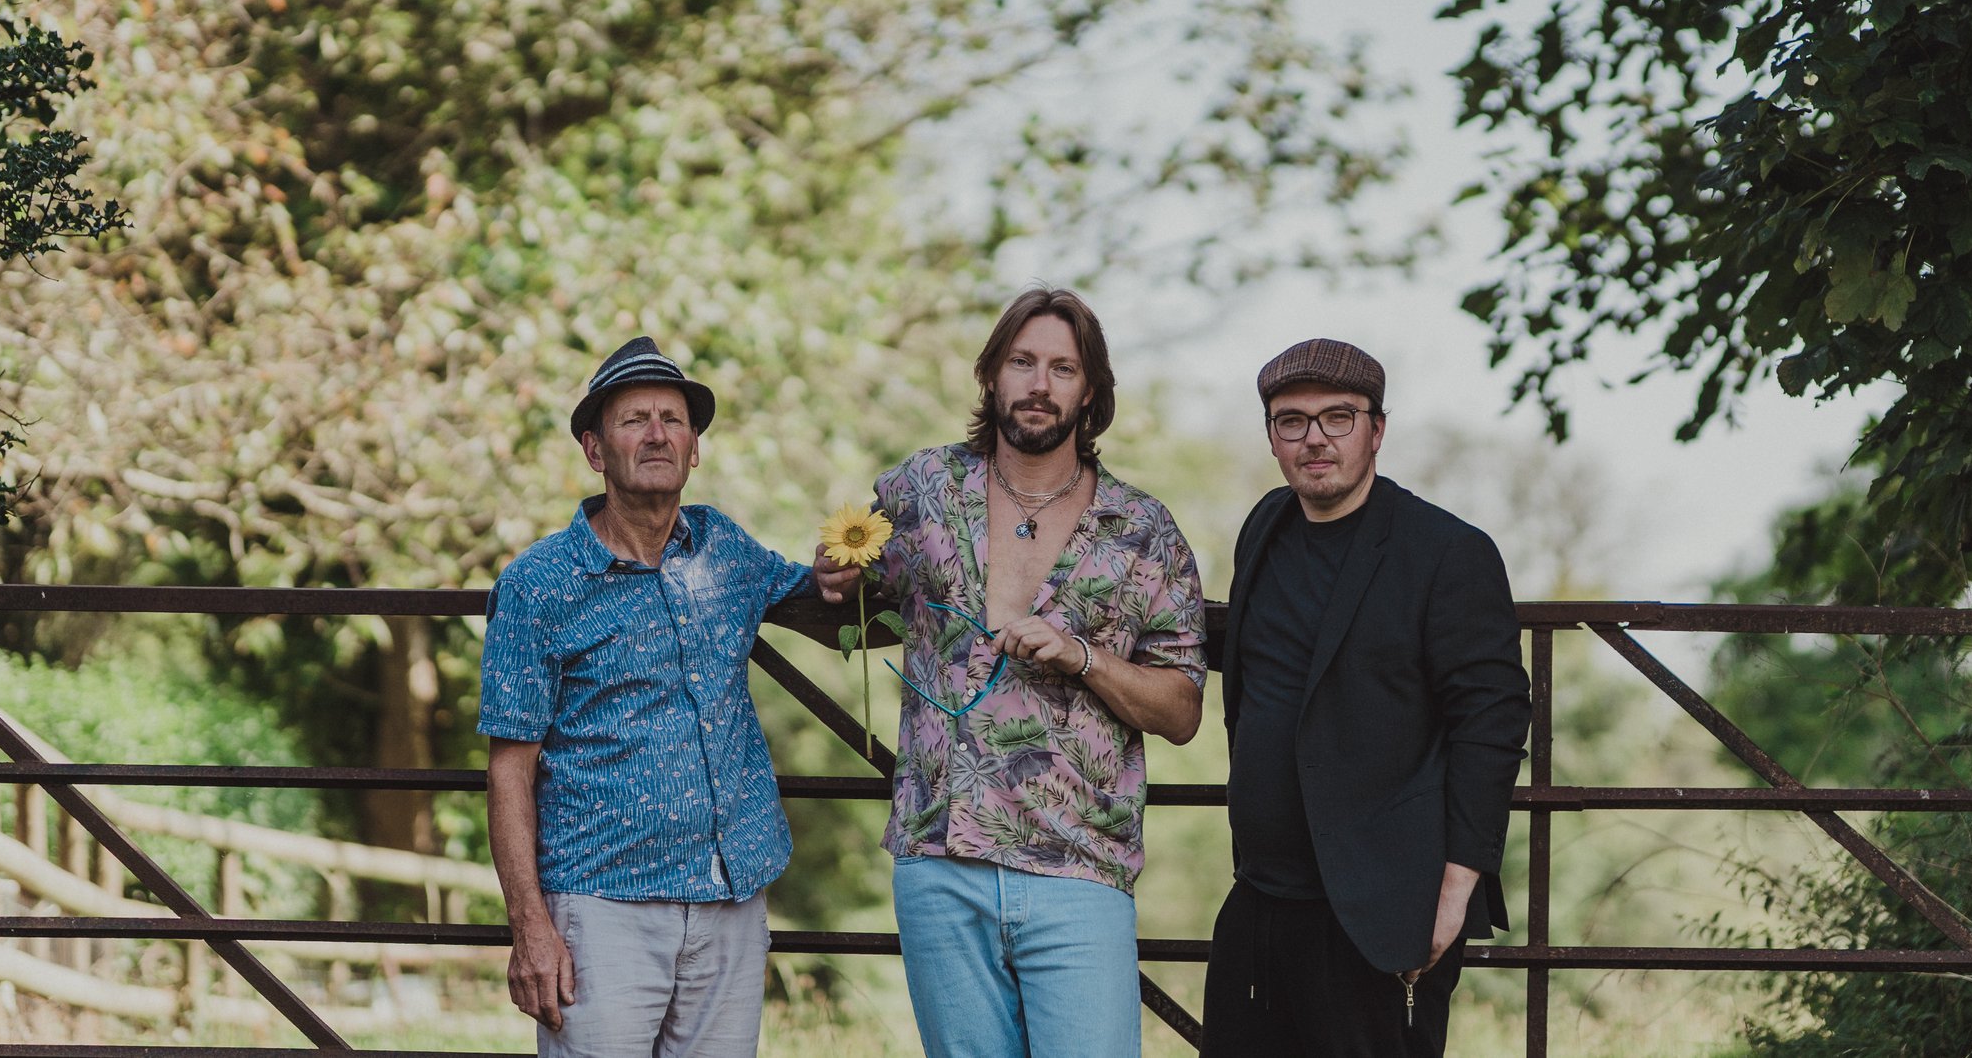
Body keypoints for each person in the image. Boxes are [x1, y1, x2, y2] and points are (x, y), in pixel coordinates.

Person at [814, 287, 1206, 1058]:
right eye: (1023, 361)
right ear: (991, 374)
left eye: (1063, 368)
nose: (1039, 383)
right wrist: (833, 573)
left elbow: (1183, 708)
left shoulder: (1142, 529)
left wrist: (1084, 657)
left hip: (1078, 870)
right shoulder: (921, 489)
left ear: (1089, 391)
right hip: (939, 863)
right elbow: (848, 567)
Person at [480, 337, 815, 1058]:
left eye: (673, 419)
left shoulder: (726, 550)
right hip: (601, 910)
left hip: (731, 900)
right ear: (595, 450)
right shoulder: (539, 584)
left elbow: (829, 600)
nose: (658, 433)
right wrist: (530, 927)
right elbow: (509, 770)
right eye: (634, 420)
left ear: (694, 449)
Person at [1200, 339, 1530, 1058]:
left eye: (1338, 417)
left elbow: (1493, 720)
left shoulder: (1447, 550)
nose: (1315, 437)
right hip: (1258, 901)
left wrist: (1453, 895)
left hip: (1381, 914)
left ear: (1376, 430)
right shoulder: (1265, 524)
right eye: (1292, 421)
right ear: (1272, 437)